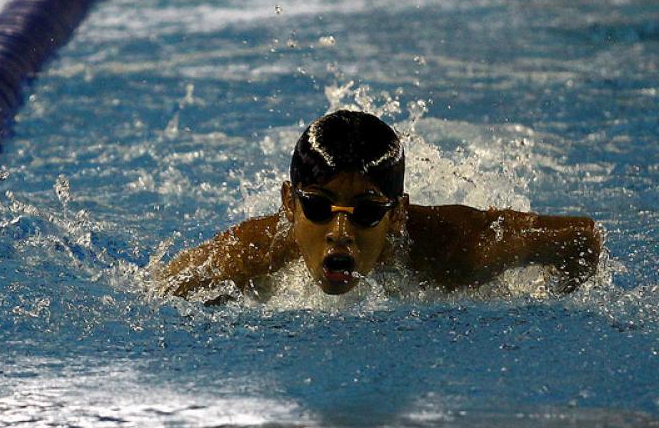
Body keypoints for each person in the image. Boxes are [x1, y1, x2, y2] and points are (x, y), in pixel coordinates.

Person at [159, 110, 602, 299]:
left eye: (368, 211)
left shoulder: (455, 250)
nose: (339, 231)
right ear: (289, 205)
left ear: (397, 215)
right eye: (317, 206)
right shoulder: (252, 252)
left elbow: (582, 239)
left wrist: (543, 303)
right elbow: (157, 291)